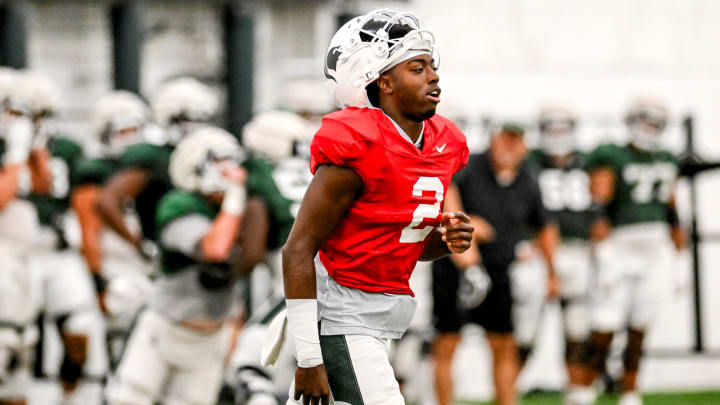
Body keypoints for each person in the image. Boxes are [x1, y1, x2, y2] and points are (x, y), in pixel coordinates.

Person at [278, 9, 474, 405]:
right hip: (341, 318)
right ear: (382, 82)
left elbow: (407, 245)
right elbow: (297, 248)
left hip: (379, 317)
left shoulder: (442, 143)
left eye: (432, 66)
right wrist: (309, 357)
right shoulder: (357, 143)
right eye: (417, 68)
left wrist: (444, 239)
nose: (433, 76)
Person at [106, 127, 268, 405]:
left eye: (233, 162)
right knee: (129, 399)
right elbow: (215, 249)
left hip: (211, 335)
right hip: (167, 327)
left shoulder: (244, 207)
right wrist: (235, 199)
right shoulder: (180, 203)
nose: (231, 172)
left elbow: (250, 260)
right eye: (220, 162)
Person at [431, 122, 559, 405]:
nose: (509, 147)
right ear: (493, 140)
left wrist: (551, 271)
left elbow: (544, 225)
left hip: (501, 269)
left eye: (516, 141)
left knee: (504, 343)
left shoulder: (528, 177)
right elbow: (445, 197)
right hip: (455, 267)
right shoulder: (468, 166)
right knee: (447, 342)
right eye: (505, 140)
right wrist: (465, 226)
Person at [570, 98, 686, 405]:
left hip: (655, 245)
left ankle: (631, 390)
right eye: (645, 120)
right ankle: (582, 388)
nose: (650, 128)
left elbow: (670, 204)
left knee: (641, 322)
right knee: (604, 322)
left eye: (656, 122)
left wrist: (679, 248)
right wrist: (603, 245)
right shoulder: (612, 154)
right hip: (621, 243)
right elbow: (599, 201)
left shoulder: (666, 158)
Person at [71, 90, 155, 363]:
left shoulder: (152, 168)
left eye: (135, 129)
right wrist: (98, 281)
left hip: (150, 267)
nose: (130, 138)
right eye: (123, 131)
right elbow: (88, 231)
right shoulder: (95, 174)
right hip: (116, 268)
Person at [525, 107, 595, 401]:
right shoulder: (528, 162)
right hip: (535, 251)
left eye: (562, 128)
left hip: (577, 249)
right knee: (524, 328)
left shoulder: (587, 161)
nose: (556, 136)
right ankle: (511, 385)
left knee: (578, 325)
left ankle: (577, 390)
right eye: (550, 129)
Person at [0, 67, 44, 405]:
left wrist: (35, 145)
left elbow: (46, 186)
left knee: (22, 349)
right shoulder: (9, 153)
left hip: (23, 258)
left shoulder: (15, 144)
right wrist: (15, 155)